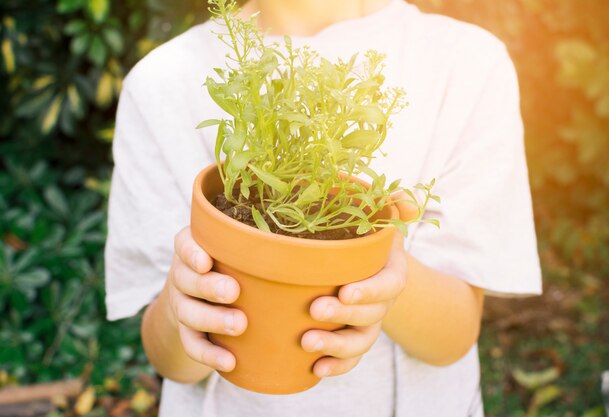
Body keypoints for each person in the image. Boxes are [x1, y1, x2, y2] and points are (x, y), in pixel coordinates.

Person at [105, 0, 542, 415]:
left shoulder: (468, 64)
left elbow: (454, 336)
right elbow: (170, 360)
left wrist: (378, 267)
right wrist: (186, 302)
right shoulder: (159, 83)